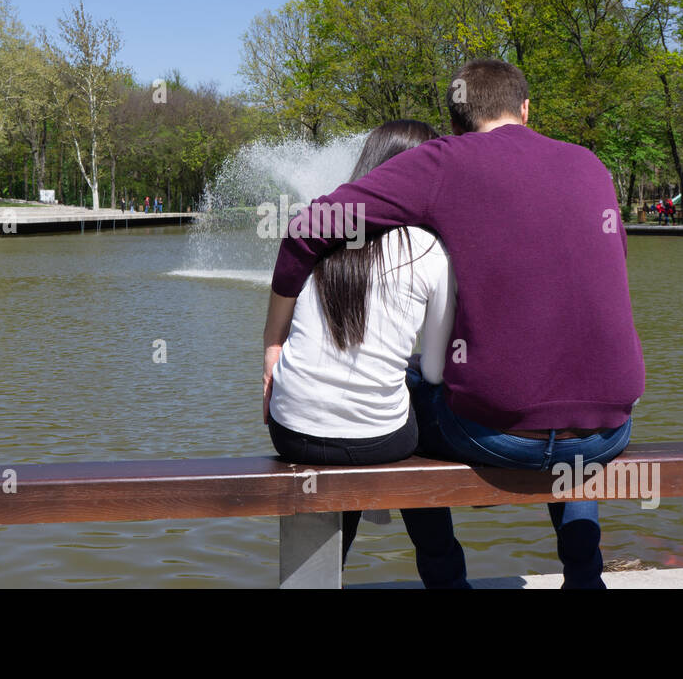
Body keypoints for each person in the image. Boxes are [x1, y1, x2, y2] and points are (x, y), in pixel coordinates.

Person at [264, 59, 643, 589]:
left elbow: (309, 227)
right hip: (607, 430)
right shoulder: (590, 165)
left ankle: (439, 577)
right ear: (526, 108)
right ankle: (584, 575)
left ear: (456, 121)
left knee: (409, 393)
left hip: (501, 437)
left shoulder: (445, 160)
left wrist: (272, 343)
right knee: (567, 388)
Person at [264, 120, 468, 589]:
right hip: (378, 440)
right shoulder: (429, 250)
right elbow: (436, 370)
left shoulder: (320, 235)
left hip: (291, 430)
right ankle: (446, 576)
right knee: (417, 400)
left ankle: (324, 576)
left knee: (356, 423)